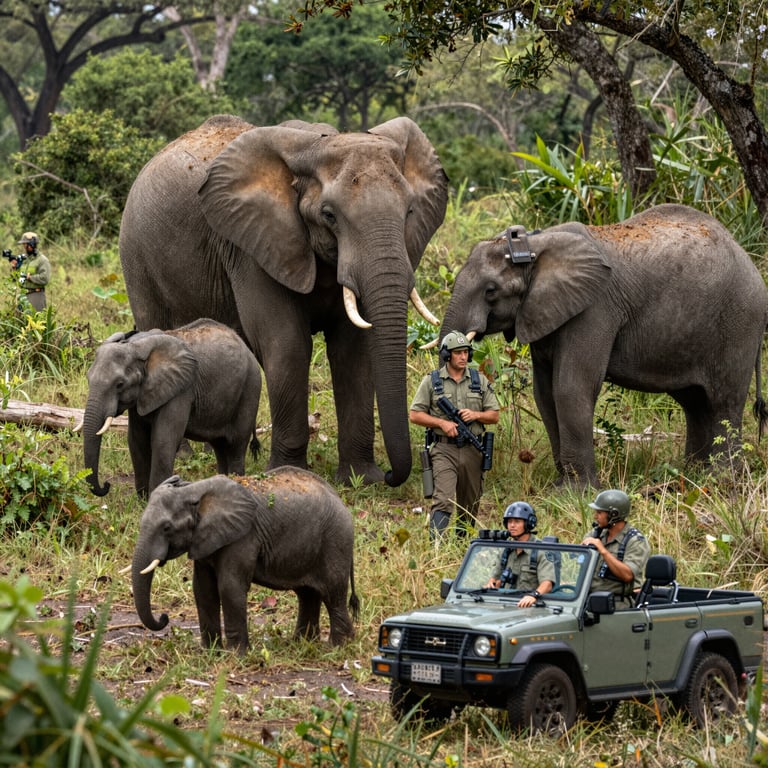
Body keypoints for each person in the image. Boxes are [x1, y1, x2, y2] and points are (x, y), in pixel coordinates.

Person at [409, 330, 499, 540]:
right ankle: (436, 546)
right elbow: (415, 415)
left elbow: (494, 416)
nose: (463, 357)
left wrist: (476, 414)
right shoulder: (432, 381)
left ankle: (461, 544)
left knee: (471, 502)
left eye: (466, 352)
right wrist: (441, 422)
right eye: (458, 353)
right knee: (443, 499)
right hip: (444, 449)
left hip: (473, 449)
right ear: (447, 355)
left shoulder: (479, 380)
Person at [581, 489, 650, 609]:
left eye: (599, 512)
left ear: (613, 515)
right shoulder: (596, 534)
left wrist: (603, 551)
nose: (595, 516)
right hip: (586, 599)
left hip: (616, 604)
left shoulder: (635, 541)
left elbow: (627, 575)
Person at [484, 502, 556, 607]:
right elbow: (496, 579)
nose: (512, 525)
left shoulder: (541, 551)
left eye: (517, 521)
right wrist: (491, 585)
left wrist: (533, 595)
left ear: (528, 524)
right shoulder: (505, 551)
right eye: (509, 522)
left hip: (531, 606)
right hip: (505, 603)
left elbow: (547, 584)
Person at [10, 232, 50, 311]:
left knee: (36, 321)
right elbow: (15, 279)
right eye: (23, 244)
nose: (24, 247)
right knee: (20, 321)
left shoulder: (42, 260)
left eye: (26, 244)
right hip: (22, 295)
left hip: (36, 296)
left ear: (32, 244)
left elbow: (45, 278)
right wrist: (14, 269)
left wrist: (30, 277)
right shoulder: (23, 259)